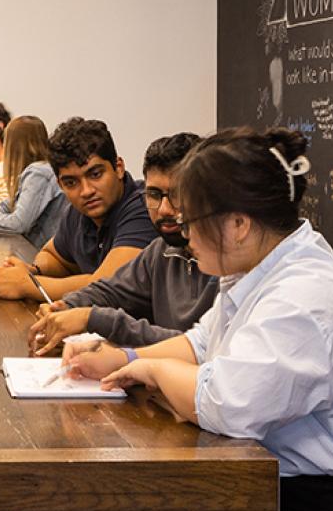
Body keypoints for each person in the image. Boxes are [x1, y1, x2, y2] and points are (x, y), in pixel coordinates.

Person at [64, 126, 333, 511]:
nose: (183, 233)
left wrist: (156, 372)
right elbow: (203, 343)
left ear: (238, 224)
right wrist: (126, 360)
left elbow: (225, 403)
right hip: (281, 497)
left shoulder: (302, 299)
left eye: (193, 221)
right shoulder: (258, 268)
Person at [27, 132, 217, 352]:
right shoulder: (162, 249)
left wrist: (92, 318)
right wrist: (67, 306)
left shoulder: (229, 263)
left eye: (177, 194)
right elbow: (111, 289)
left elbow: (202, 346)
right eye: (154, 194)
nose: (165, 209)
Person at [0, 117, 155, 301]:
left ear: (118, 168)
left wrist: (28, 284)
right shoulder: (80, 210)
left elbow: (107, 286)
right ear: (60, 184)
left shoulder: (146, 207)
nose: (86, 191)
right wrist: (32, 270)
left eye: (95, 174)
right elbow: (53, 255)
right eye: (71, 182)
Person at [0, 115, 67, 248]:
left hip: (38, 254)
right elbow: (6, 206)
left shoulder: (39, 173)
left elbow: (18, 223)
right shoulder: (35, 172)